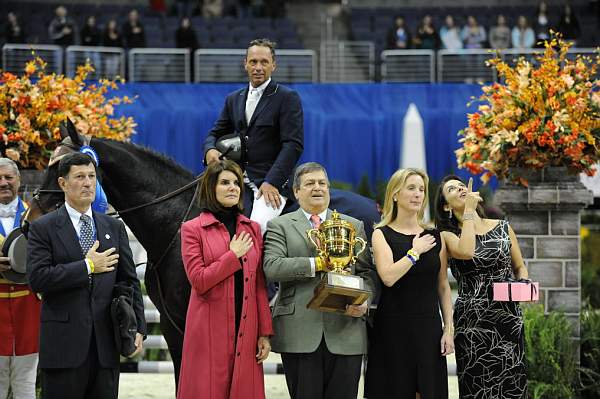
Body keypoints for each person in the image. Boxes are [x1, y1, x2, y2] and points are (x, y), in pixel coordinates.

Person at [26, 152, 146, 399]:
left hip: (106, 347)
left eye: (91, 176)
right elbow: (38, 278)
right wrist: (87, 266)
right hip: (63, 349)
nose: (88, 183)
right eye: (80, 177)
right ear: (62, 183)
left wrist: (138, 327)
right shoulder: (43, 228)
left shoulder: (113, 226)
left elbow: (129, 280)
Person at [263, 162, 377, 399]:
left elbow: (366, 273)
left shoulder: (353, 225)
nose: (317, 188)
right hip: (299, 333)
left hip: (347, 332)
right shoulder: (280, 225)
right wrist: (316, 264)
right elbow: (272, 267)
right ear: (296, 191)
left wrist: (364, 301)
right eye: (310, 183)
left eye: (322, 183)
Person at [177, 159, 273, 398]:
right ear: (211, 188)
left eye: (236, 183)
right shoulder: (192, 229)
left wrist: (264, 332)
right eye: (224, 183)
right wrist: (232, 256)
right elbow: (198, 280)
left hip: (247, 327)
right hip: (208, 330)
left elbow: (259, 284)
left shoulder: (252, 229)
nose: (233, 188)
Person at [434, 175, 529, 398]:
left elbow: (519, 266)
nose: (459, 189)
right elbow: (465, 253)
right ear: (446, 205)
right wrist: (448, 327)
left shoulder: (503, 227)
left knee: (512, 385)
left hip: (508, 317)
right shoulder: (447, 236)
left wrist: (523, 284)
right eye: (452, 189)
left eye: (461, 186)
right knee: (477, 387)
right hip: (473, 322)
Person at [365, 168, 453, 399]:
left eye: (421, 190)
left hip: (429, 328)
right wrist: (414, 252)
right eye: (411, 188)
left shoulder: (436, 236)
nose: (418, 194)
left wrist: (449, 329)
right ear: (395, 194)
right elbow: (388, 277)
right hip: (393, 328)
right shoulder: (381, 233)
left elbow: (443, 286)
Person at [203, 38, 304, 234]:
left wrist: (271, 181)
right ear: (245, 64)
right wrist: (210, 149)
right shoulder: (234, 98)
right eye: (253, 62)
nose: (258, 67)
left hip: (269, 182)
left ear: (273, 65)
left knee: (257, 228)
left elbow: (293, 145)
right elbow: (215, 133)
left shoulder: (287, 97)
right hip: (237, 179)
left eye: (264, 62)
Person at [0, 158, 40, 399]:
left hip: (29, 308)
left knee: (26, 380)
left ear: (19, 180)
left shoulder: (36, 217)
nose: (3, 183)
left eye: (8, 177)